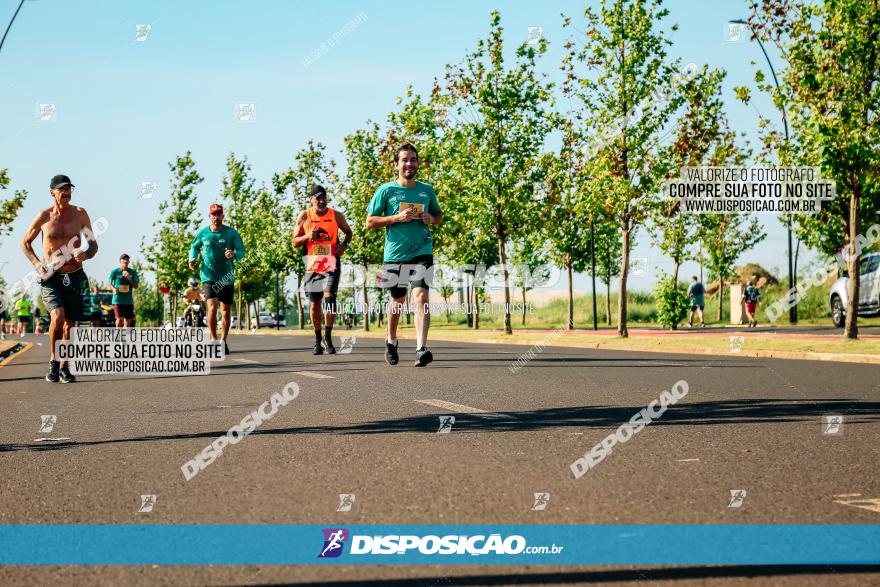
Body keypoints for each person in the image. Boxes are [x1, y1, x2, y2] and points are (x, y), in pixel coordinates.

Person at [366, 143, 443, 367]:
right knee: (398, 300)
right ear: (397, 164)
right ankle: (391, 340)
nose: (409, 164)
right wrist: (395, 218)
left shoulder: (426, 190)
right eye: (405, 160)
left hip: (422, 251)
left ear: (418, 163)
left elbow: (438, 215)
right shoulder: (386, 190)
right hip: (395, 254)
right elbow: (370, 221)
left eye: (413, 160)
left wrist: (432, 219)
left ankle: (421, 349)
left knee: (421, 297)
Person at [21, 174, 98, 383]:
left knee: (70, 325)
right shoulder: (44, 217)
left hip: (75, 276)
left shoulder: (80, 214)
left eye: (69, 189)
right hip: (51, 276)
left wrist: (85, 253)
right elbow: (25, 243)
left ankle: (64, 365)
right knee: (58, 316)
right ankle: (53, 361)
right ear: (52, 192)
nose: (66, 193)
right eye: (62, 189)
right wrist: (37, 264)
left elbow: (93, 245)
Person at [292, 184, 352, 355]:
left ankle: (328, 337)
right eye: (318, 197)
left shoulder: (336, 215)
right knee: (314, 305)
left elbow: (348, 232)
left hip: (331, 262)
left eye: (324, 197)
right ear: (311, 199)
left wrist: (344, 246)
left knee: (330, 299)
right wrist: (308, 236)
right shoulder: (304, 216)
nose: (321, 200)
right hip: (312, 265)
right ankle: (318, 340)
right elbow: (294, 242)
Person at [188, 203, 244, 355]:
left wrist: (234, 254)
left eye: (219, 214)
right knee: (212, 306)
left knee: (225, 311)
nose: (216, 217)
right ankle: (213, 339)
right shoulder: (203, 233)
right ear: (209, 217)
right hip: (209, 275)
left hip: (227, 276)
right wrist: (192, 259)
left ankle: (223, 341)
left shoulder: (231, 233)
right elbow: (194, 247)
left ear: (223, 216)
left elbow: (241, 250)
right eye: (213, 214)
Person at [109, 254, 139, 328]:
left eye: (127, 259)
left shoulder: (132, 272)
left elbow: (136, 286)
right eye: (124, 259)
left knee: (128, 321)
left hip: (128, 301)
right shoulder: (115, 272)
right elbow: (109, 283)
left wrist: (129, 278)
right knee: (120, 319)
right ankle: (118, 335)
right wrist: (113, 289)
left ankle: (124, 337)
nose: (125, 260)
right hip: (117, 300)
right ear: (120, 261)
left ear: (129, 262)